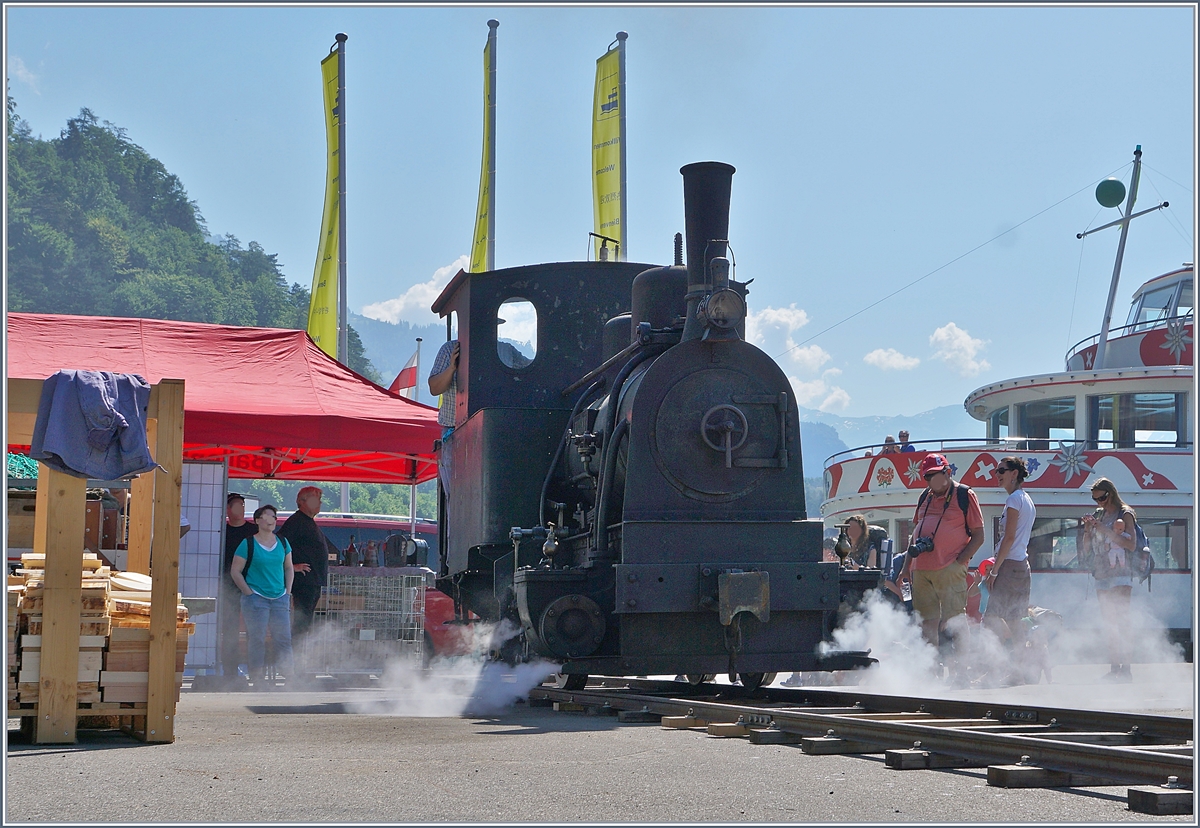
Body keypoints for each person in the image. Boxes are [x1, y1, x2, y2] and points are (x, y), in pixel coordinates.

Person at [899, 453, 984, 683]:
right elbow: (915, 533)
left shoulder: (965, 495)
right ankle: (931, 670)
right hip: (920, 569)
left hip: (949, 567)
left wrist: (959, 563)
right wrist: (907, 566)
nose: (930, 482)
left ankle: (963, 672)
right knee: (927, 621)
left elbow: (979, 535)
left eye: (934, 476)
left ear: (947, 473)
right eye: (927, 477)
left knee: (956, 620)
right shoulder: (925, 496)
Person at [982, 457, 1035, 684]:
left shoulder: (1014, 500)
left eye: (1001, 470)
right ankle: (1019, 672)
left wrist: (994, 570)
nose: (997, 474)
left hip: (1009, 565)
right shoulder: (1027, 499)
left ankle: (994, 669)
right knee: (1015, 620)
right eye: (996, 471)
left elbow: (1009, 537)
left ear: (1014, 473)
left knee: (991, 619)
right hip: (1022, 564)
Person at [1078, 478, 1137, 683]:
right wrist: (1088, 530)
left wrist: (1104, 530)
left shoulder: (1125, 513)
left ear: (1110, 494)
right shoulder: (1099, 515)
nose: (1098, 502)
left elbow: (1131, 545)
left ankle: (1126, 670)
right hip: (1101, 573)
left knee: (1122, 621)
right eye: (1095, 499)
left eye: (1101, 498)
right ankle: (1114, 669)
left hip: (1121, 573)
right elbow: (1087, 548)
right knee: (1109, 623)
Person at [230, 504, 294, 689]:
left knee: (284, 639)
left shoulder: (283, 542)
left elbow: (289, 567)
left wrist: (287, 591)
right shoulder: (248, 543)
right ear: (258, 520)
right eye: (267, 516)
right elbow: (236, 571)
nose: (271, 520)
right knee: (256, 639)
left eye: (273, 516)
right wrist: (248, 593)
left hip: (280, 597)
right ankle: (257, 679)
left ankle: (289, 677)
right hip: (256, 598)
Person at [276, 486, 329, 641]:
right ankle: (293, 657)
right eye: (315, 498)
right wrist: (292, 567)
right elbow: (279, 546)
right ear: (302, 501)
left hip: (313, 581)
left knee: (304, 623)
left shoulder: (308, 521)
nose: (319, 502)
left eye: (320, 499)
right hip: (303, 582)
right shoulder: (296, 521)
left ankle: (297, 656)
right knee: (300, 623)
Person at [220, 493, 258, 684]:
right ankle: (230, 672)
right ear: (227, 509)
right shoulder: (220, 531)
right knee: (230, 631)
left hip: (254, 586)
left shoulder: (254, 531)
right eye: (235, 505)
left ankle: (256, 672)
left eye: (242, 505)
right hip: (227, 588)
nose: (239, 509)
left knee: (255, 630)